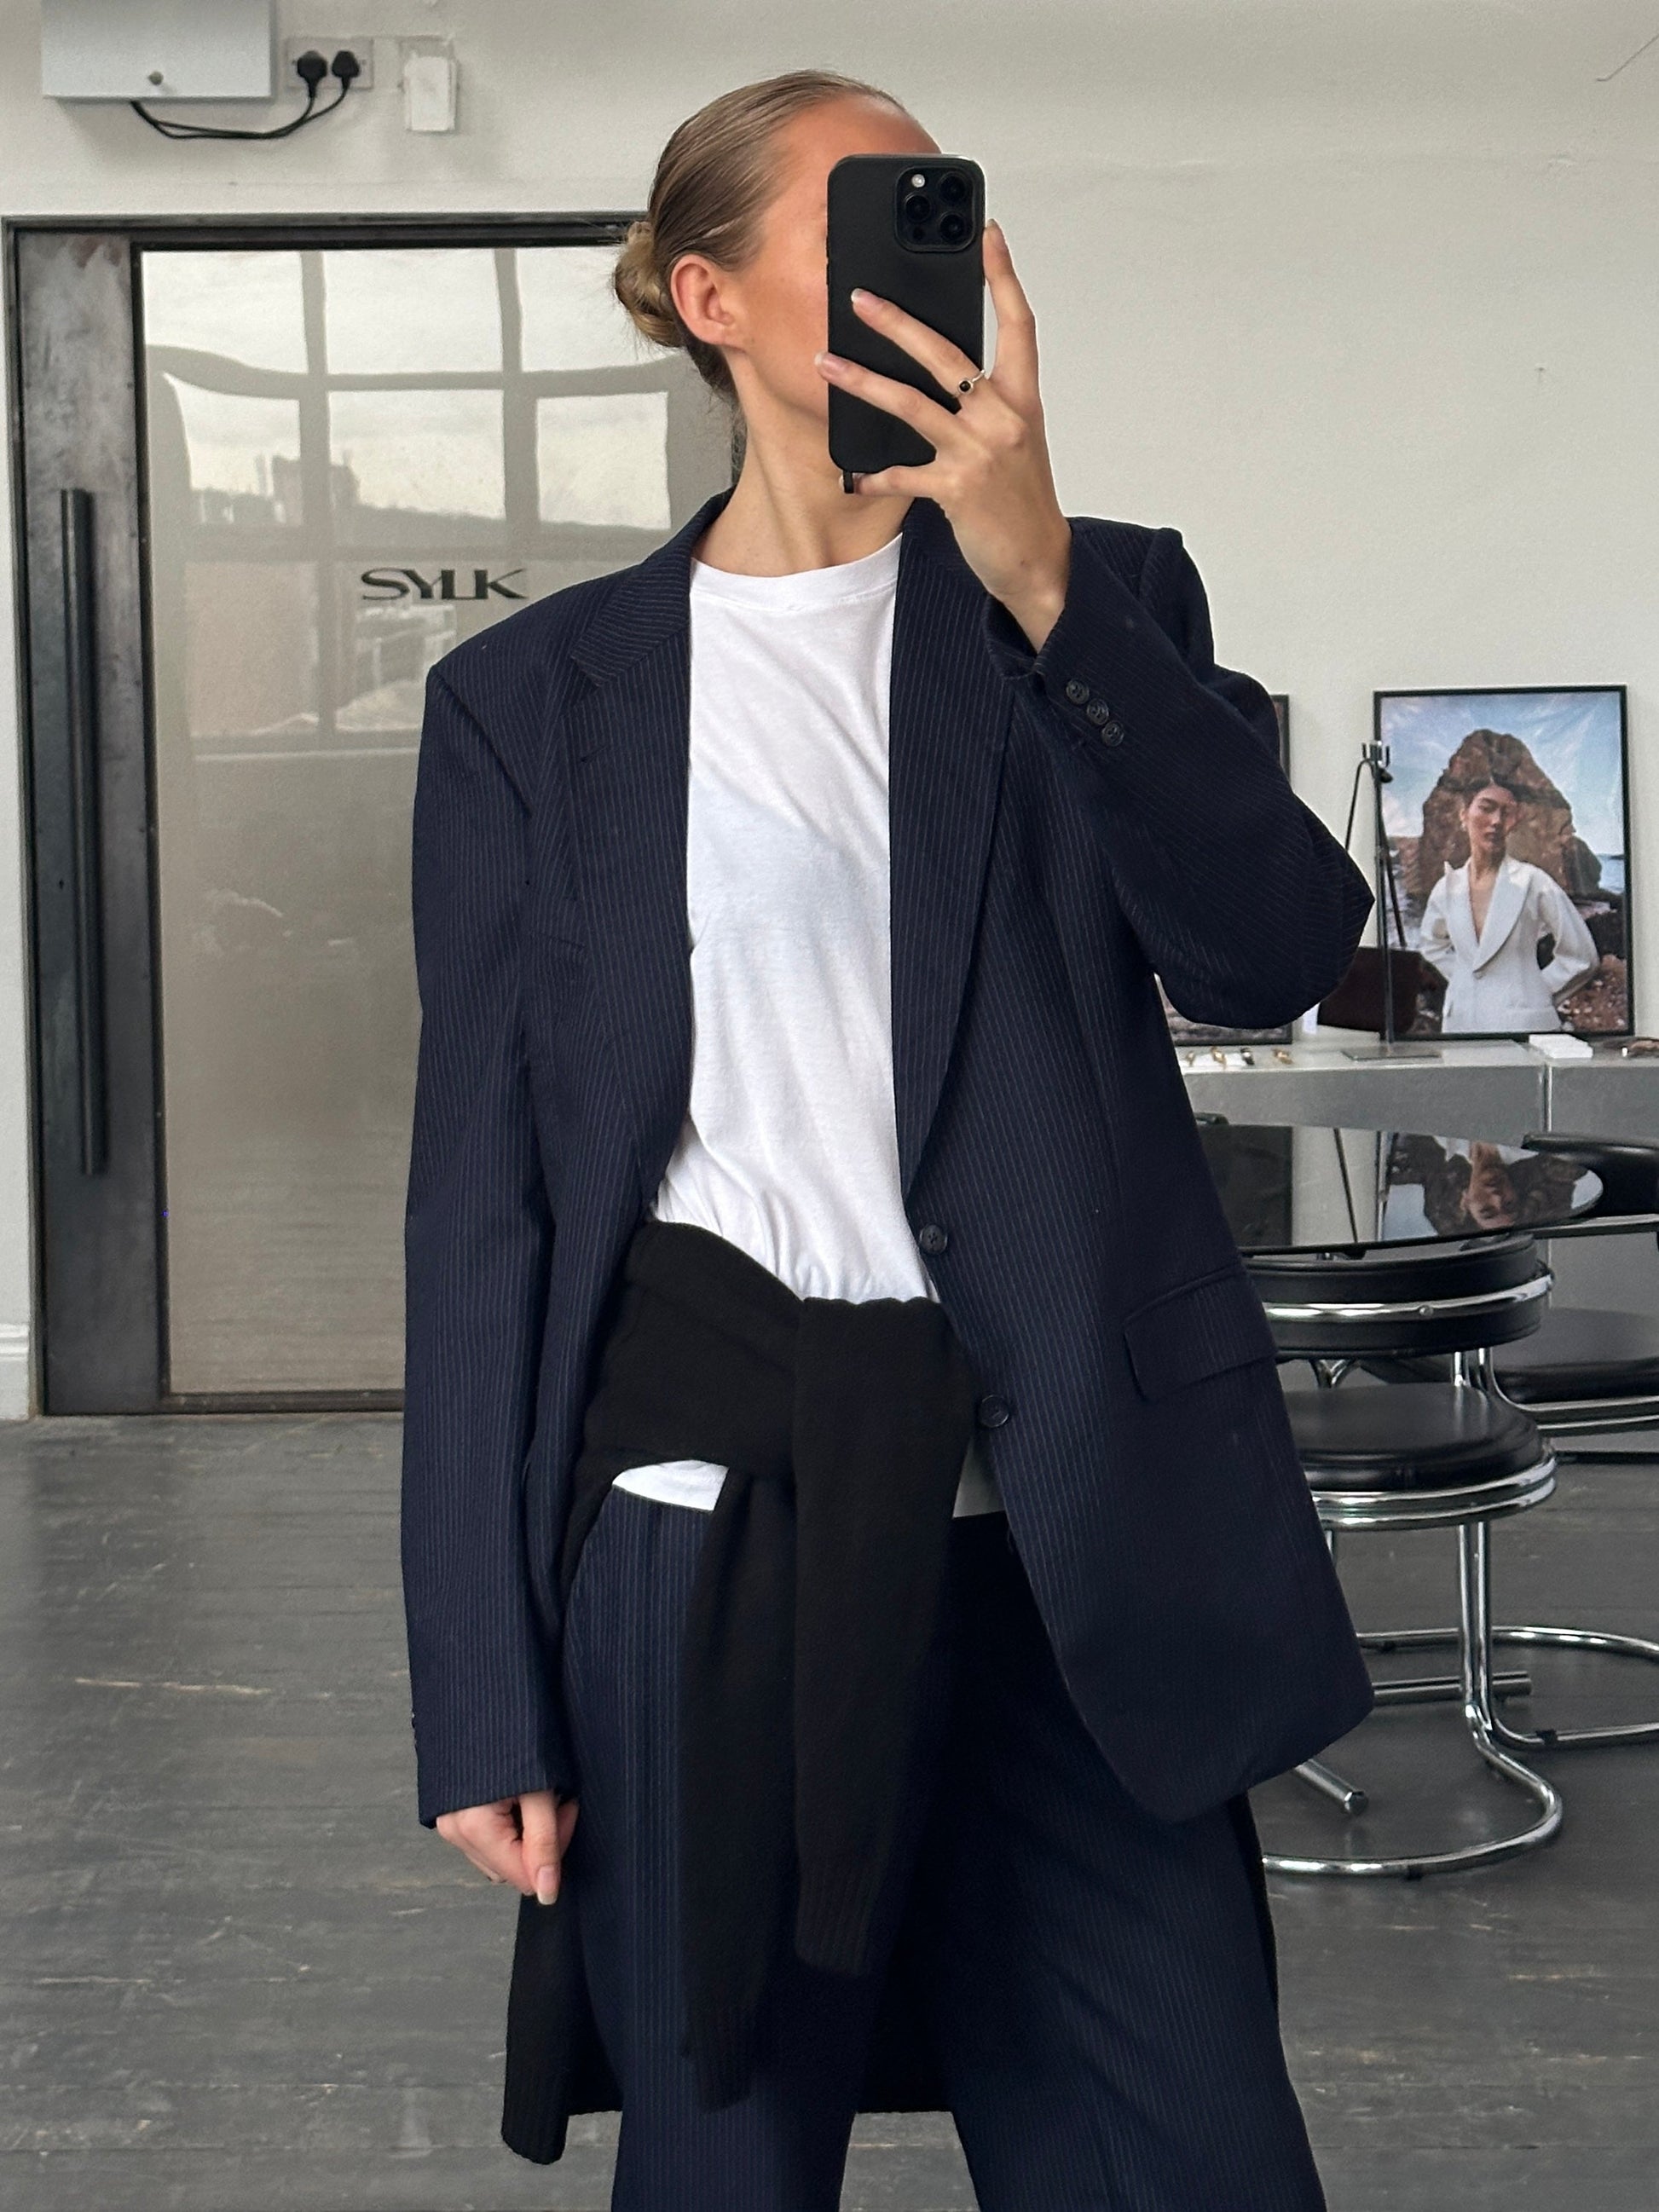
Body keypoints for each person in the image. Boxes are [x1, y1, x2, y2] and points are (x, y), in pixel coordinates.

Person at [400, 67, 1377, 2212]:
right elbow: (485, 1213)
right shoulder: (532, 705)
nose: (917, 262)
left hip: (1075, 1529)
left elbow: (1271, 951)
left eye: (934, 210)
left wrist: (1043, 586)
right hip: (707, 1544)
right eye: (855, 222)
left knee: (1186, 2151)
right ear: (711, 299)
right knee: (730, 2159)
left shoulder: (1100, 594)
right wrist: (476, 1678)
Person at [1418, 777, 1600, 1033]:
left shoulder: (1533, 882)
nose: (1496, 821)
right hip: (1461, 1024)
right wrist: (1465, 979)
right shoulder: (1448, 887)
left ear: (1515, 821)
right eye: (1486, 808)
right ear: (1464, 814)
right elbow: (1432, 945)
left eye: (1507, 813)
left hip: (1524, 1026)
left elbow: (1581, 956)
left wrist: (1535, 991)